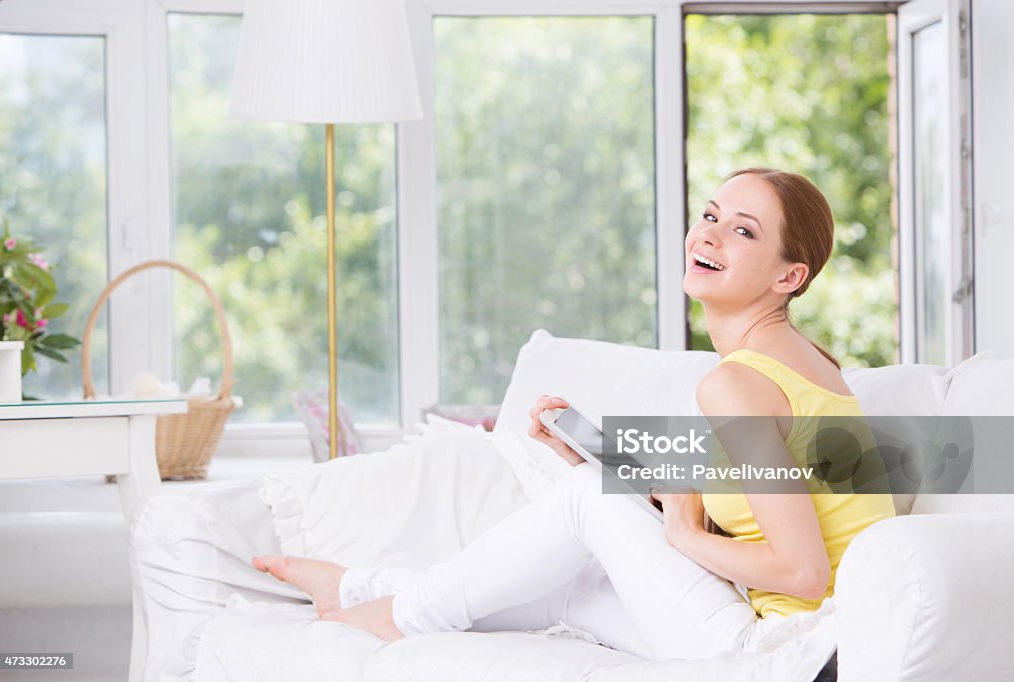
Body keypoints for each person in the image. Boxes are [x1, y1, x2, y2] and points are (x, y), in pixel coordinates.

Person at [251, 168, 896, 660]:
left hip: (782, 653)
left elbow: (804, 573)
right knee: (562, 581)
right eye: (711, 214)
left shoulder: (736, 384)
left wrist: (682, 536)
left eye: (743, 230)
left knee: (587, 500)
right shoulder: (807, 363)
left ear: (790, 277)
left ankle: (396, 615)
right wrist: (597, 454)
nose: (708, 233)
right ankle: (365, 590)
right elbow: (741, 508)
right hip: (801, 630)